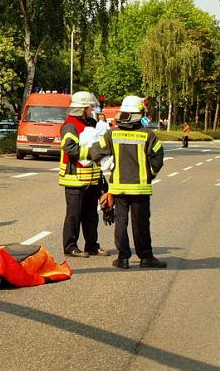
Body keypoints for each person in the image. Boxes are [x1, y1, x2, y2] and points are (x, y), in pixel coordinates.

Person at [85, 95, 166, 269]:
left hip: (119, 187)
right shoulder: (148, 135)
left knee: (121, 222)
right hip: (140, 188)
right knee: (141, 223)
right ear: (139, 114)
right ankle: (146, 257)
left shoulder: (112, 133)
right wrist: (150, 174)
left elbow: (94, 151)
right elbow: (158, 156)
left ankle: (123, 258)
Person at [58, 90, 107, 258]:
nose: (92, 109)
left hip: (92, 178)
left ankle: (92, 246)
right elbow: (69, 148)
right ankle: (70, 246)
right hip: (75, 178)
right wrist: (92, 152)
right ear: (83, 108)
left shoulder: (91, 123)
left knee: (91, 215)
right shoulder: (70, 125)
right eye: (90, 107)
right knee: (74, 215)